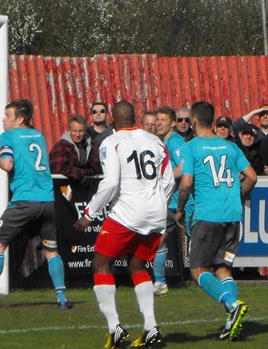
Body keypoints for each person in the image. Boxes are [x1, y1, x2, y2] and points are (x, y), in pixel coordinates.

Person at [73, 101, 174, 348]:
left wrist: (89, 213)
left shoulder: (111, 141)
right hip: (156, 212)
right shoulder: (155, 141)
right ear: (135, 118)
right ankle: (151, 327)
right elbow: (169, 181)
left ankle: (114, 327)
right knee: (138, 265)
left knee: (101, 263)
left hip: (128, 212)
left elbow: (110, 183)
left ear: (113, 122)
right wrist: (157, 204)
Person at [0, 99, 72, 310]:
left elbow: (6, 164)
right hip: (48, 201)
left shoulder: (8, 136)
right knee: (51, 251)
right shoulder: (39, 135)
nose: (2, 120)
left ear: (20, 119)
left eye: (7, 116)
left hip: (25, 200)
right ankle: (61, 297)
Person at [176, 101, 257, 341]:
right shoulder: (230, 147)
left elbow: (187, 182)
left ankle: (233, 305)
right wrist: (237, 195)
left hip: (207, 215)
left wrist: (180, 209)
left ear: (193, 121)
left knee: (197, 269)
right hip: (232, 216)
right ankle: (231, 319)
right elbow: (251, 177)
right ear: (212, 121)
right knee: (223, 268)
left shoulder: (191, 147)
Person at [151, 106, 186, 297]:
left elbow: (184, 167)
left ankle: (215, 276)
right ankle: (160, 282)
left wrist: (164, 179)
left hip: (184, 202)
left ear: (172, 123)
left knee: (197, 241)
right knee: (159, 240)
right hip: (168, 203)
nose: (159, 123)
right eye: (158, 120)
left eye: (163, 119)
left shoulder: (175, 142)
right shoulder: (161, 142)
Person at [49, 114, 100, 184]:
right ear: (69, 130)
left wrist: (80, 172)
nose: (77, 134)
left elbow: (96, 167)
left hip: (84, 186)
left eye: (80, 131)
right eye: (74, 131)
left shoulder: (89, 144)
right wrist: (81, 172)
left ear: (85, 131)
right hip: (62, 186)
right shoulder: (61, 146)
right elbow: (57, 169)